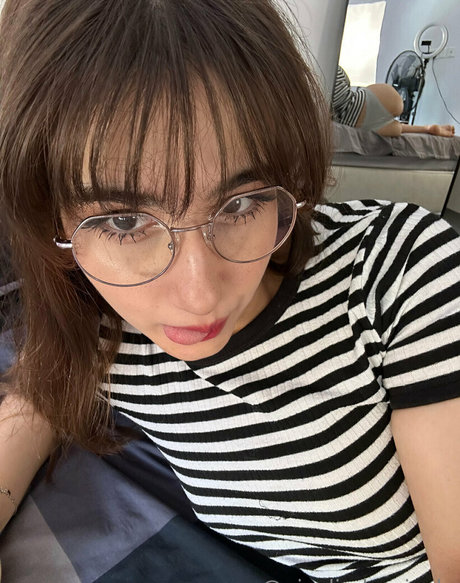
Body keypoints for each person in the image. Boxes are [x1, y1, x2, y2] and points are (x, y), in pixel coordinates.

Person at [0, 1, 459, 582]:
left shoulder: (398, 270)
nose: (200, 297)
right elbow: (34, 403)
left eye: (240, 204)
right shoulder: (93, 322)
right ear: (52, 219)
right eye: (124, 221)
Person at [332, 65, 456, 138]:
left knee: (397, 127)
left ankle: (427, 129)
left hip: (354, 122)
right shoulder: (328, 61)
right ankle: (427, 129)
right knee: (397, 126)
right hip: (368, 103)